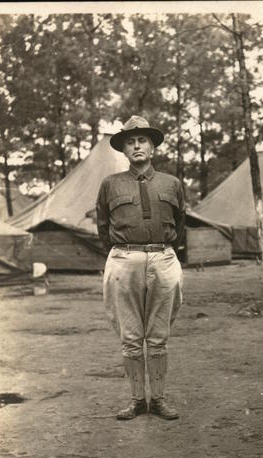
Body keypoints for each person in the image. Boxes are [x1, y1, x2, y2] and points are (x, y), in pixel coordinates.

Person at [96, 116, 185, 420]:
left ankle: (158, 399)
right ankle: (137, 400)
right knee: (131, 336)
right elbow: (102, 227)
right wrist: (120, 258)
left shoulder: (172, 184)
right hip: (124, 259)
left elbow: (181, 224)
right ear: (123, 149)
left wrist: (166, 253)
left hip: (163, 258)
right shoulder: (110, 184)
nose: (136, 146)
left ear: (152, 147)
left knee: (159, 335)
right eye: (130, 141)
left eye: (142, 140)